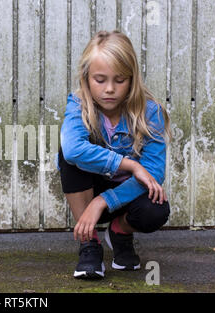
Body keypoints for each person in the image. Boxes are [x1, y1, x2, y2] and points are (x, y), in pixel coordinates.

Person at [56, 30, 171, 279]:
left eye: (120, 80)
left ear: (132, 78)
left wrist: (102, 202)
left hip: (124, 197)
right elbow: (74, 149)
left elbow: (154, 173)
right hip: (87, 191)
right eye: (100, 80)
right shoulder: (78, 105)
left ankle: (119, 232)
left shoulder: (151, 113)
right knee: (68, 154)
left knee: (156, 209)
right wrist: (130, 165)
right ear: (86, 78)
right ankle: (90, 243)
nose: (110, 89)